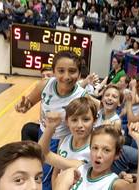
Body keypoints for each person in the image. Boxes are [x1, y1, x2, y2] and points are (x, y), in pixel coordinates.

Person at [15, 51, 89, 190]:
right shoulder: (44, 85)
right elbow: (28, 103)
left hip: (61, 141)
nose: (66, 76)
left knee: (46, 176)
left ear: (79, 74)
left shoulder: (82, 95)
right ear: (54, 71)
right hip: (43, 133)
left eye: (72, 71)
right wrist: (23, 106)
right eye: (61, 71)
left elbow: (99, 110)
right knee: (38, 167)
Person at [39, 115, 139, 190]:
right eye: (95, 148)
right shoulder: (80, 167)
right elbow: (44, 154)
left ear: (117, 154)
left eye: (106, 150)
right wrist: (50, 128)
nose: (98, 155)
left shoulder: (114, 183)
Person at [50, 97, 97, 188]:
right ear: (67, 121)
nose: (79, 125)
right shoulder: (64, 140)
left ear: (94, 121)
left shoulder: (96, 147)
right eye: (74, 120)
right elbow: (55, 173)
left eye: (86, 119)